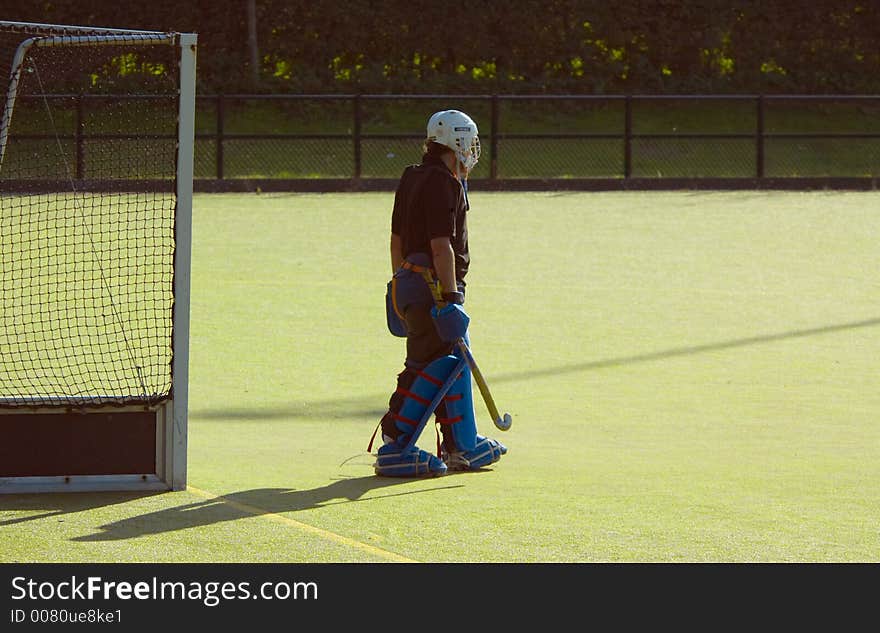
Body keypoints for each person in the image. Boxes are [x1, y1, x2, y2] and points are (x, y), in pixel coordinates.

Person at [371, 109, 507, 477]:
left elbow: (396, 239)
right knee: (429, 364)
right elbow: (441, 245)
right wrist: (451, 298)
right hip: (435, 290)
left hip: (410, 283)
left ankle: (462, 444)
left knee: (451, 358)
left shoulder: (413, 177)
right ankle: (395, 446)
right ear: (457, 142)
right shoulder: (444, 184)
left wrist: (399, 282)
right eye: (470, 141)